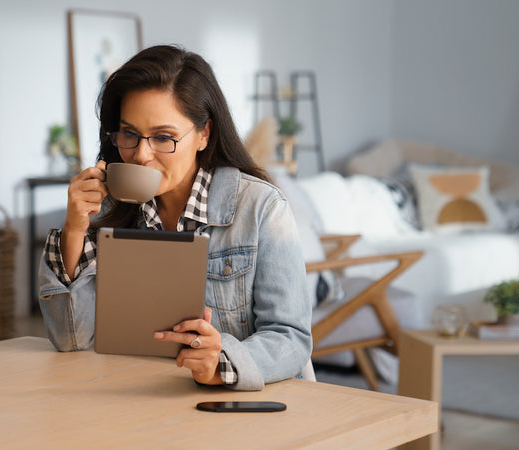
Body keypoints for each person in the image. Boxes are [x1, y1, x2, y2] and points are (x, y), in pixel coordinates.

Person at [38, 44, 313, 391]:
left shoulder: (261, 208)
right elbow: (70, 340)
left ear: (204, 134)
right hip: (144, 400)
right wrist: (74, 229)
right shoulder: (109, 211)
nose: (141, 154)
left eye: (163, 137)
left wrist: (222, 363)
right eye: (129, 134)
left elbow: (291, 338)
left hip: (245, 410)